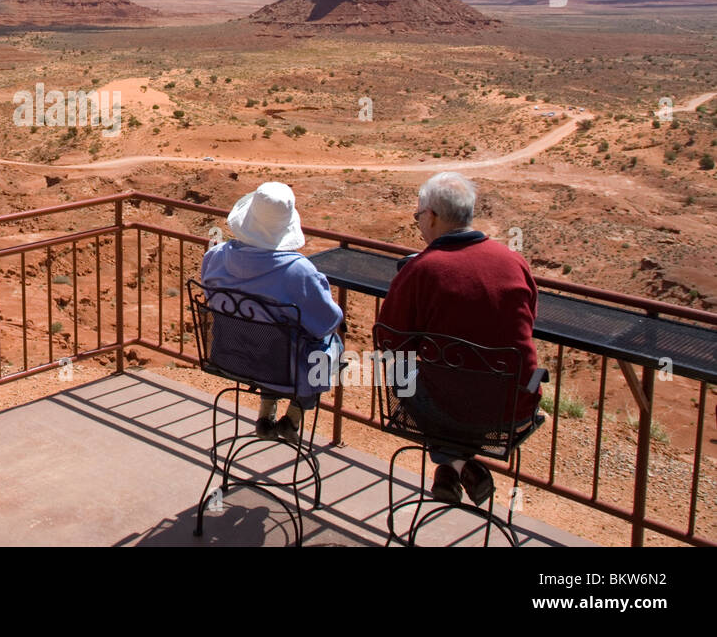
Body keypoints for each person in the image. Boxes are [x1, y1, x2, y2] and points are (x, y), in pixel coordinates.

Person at [377, 172, 541, 506]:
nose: (419, 223)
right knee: (453, 393)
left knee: (413, 382)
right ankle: (457, 469)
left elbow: (390, 342)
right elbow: (528, 321)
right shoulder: (513, 261)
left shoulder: (421, 270)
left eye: (418, 217)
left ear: (433, 216)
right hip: (513, 408)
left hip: (446, 411)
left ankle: (454, 464)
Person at [201, 182, 344, 443]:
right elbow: (326, 322)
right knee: (330, 344)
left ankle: (265, 413)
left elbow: (212, 298)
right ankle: (295, 413)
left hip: (231, 357)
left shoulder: (216, 257)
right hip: (283, 369)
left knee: (264, 339)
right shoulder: (298, 272)